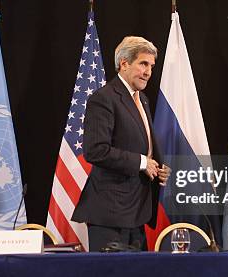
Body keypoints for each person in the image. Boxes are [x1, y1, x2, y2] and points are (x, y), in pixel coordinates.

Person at [72, 36, 171, 251]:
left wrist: (156, 167)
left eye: (151, 66)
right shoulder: (104, 98)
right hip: (110, 213)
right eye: (143, 64)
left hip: (136, 211)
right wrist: (143, 163)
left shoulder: (141, 99)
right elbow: (96, 151)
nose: (148, 72)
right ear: (124, 63)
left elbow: (139, 144)